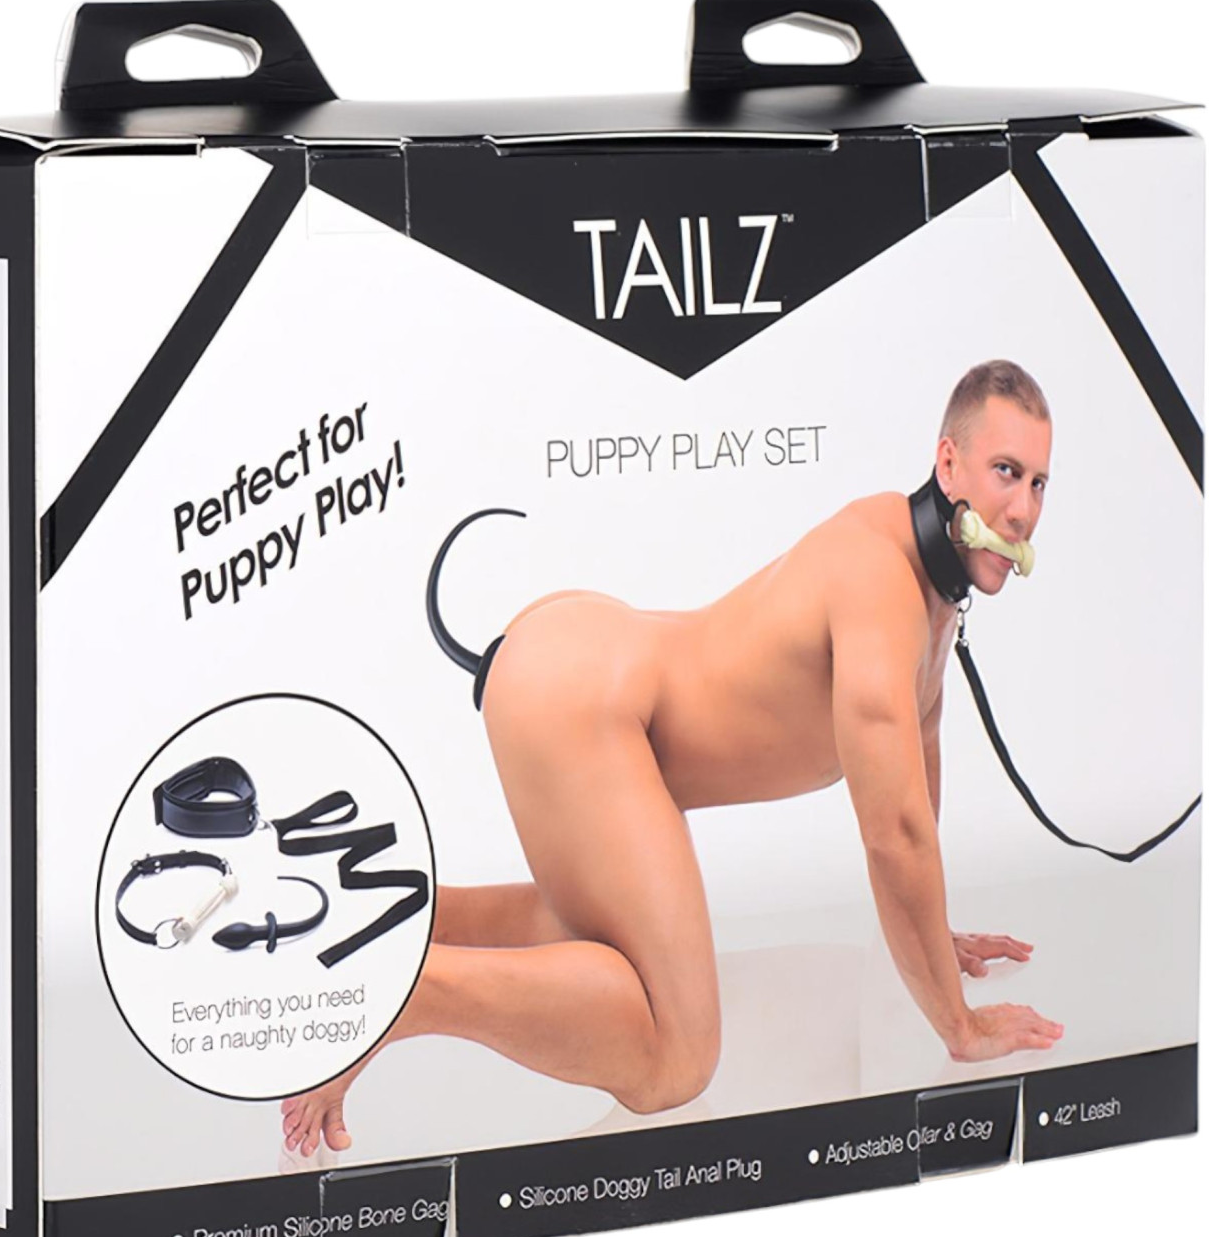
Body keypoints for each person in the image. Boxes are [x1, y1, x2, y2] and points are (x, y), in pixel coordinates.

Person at [282, 360, 1064, 1158]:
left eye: (1039, 482)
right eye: (1006, 472)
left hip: (583, 660)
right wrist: (958, 1026)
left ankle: (376, 923)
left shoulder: (924, 587)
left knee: (587, 931)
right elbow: (894, 832)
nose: (1024, 509)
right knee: (675, 1057)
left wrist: (930, 936)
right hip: (585, 702)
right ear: (947, 464)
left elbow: (917, 769)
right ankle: (402, 993)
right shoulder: (881, 584)